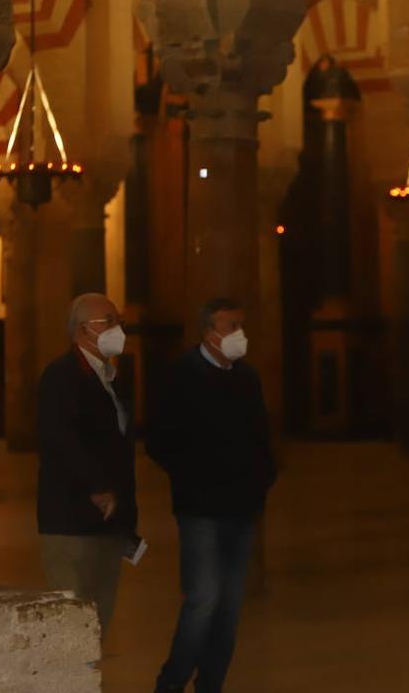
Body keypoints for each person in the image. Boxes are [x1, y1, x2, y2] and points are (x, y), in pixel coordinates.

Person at [148, 297, 277, 693]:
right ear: (209, 332)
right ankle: (170, 683)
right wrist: (195, 477)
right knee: (203, 598)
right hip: (201, 508)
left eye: (242, 324)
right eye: (230, 325)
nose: (239, 333)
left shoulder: (247, 376)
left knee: (229, 605)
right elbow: (159, 440)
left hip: (241, 508)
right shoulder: (181, 375)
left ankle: (211, 684)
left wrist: (261, 480)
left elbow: (261, 437)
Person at [36, 292, 138, 635]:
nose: (117, 328)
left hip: (110, 522)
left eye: (118, 322)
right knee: (73, 622)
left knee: (99, 619)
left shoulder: (111, 377)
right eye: (108, 321)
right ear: (82, 330)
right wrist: (97, 486)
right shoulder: (61, 376)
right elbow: (61, 439)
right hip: (72, 520)